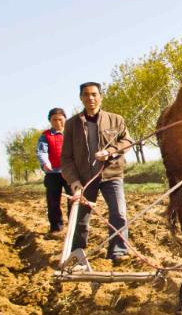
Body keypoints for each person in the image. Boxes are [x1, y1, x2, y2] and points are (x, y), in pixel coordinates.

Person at [61, 82, 133, 264]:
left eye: (94, 94)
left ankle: (118, 251)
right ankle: (77, 254)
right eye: (86, 95)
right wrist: (73, 180)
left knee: (119, 213)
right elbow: (66, 158)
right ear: (81, 98)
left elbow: (127, 141)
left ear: (101, 96)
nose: (90, 98)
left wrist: (111, 151)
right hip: (84, 179)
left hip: (111, 174)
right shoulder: (72, 124)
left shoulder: (116, 119)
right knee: (80, 219)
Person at [36, 107, 70, 233]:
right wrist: (45, 163)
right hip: (53, 174)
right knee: (53, 201)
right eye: (54, 120)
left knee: (73, 200)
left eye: (60, 119)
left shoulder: (71, 134)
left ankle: (74, 227)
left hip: (70, 173)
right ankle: (56, 227)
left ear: (65, 119)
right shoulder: (45, 136)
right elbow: (42, 152)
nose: (58, 123)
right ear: (50, 121)